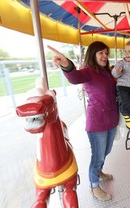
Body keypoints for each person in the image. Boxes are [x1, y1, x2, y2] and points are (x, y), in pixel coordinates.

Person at [47, 42, 119, 202]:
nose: (105, 56)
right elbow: (74, 77)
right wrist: (66, 64)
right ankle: (94, 187)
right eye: (101, 53)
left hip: (111, 120)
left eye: (106, 53)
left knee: (105, 152)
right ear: (92, 54)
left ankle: (98, 172)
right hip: (98, 123)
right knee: (98, 156)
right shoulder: (88, 72)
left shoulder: (106, 72)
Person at [112, 40, 130, 131]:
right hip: (124, 87)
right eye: (125, 51)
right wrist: (116, 71)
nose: (126, 53)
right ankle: (128, 119)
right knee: (125, 102)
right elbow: (114, 74)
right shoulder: (121, 63)